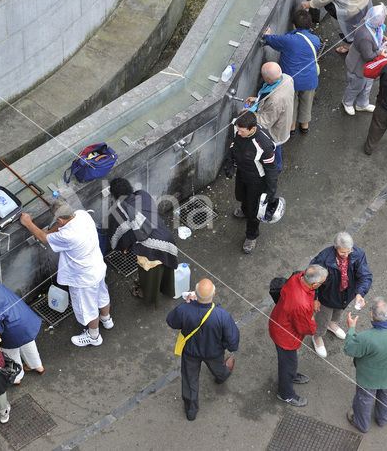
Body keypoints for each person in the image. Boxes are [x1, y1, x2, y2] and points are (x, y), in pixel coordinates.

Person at [20, 201, 114, 347]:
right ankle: (106, 319)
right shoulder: (82, 215)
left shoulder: (67, 236)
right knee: (102, 295)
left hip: (83, 279)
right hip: (98, 267)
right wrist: (49, 232)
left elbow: (44, 239)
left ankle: (94, 336)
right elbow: (60, 228)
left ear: (59, 220)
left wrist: (28, 223)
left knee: (88, 309)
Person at [166, 279, 239, 421]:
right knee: (218, 367)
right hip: (213, 351)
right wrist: (227, 346)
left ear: (195, 293)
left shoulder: (184, 309)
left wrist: (186, 303)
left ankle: (191, 410)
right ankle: (222, 376)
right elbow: (232, 340)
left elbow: (171, 321)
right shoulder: (222, 315)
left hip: (190, 351)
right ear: (214, 294)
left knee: (189, 379)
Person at [343, 298, 387, 433]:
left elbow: (349, 349)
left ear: (372, 315)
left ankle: (362, 424)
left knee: (364, 400)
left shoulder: (365, 337)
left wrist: (351, 328)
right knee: (386, 397)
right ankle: (382, 419)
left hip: (368, 379)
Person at [107, 177, 178, 306]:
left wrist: (122, 247)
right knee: (166, 267)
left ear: (115, 195)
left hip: (149, 249)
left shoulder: (120, 212)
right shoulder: (142, 194)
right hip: (166, 237)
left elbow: (119, 236)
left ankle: (145, 294)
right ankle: (167, 288)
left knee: (149, 275)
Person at [269, 265, 328, 407]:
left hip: (280, 323)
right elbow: (305, 328)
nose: (322, 284)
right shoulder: (300, 303)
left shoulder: (299, 277)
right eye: (321, 283)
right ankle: (285, 394)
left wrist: (313, 301)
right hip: (285, 336)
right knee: (288, 364)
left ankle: (292, 375)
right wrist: (313, 321)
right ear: (314, 284)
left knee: (290, 362)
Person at [222, 110, 279, 254]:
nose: (238, 133)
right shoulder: (240, 131)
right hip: (242, 173)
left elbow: (272, 170)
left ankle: (251, 235)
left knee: (254, 211)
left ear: (252, 129)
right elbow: (234, 145)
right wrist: (229, 161)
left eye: (241, 131)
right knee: (241, 195)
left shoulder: (264, 145)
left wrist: (270, 192)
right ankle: (244, 209)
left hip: (257, 181)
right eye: (238, 130)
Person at [310, 232, 372, 358]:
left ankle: (331, 323)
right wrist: (315, 298)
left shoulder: (358, 254)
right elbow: (312, 279)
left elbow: (365, 276)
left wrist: (360, 293)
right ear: (335, 247)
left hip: (345, 295)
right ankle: (317, 336)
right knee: (322, 317)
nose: (346, 255)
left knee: (337, 313)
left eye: (349, 251)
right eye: (343, 252)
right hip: (326, 297)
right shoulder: (324, 258)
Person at [263, 10, 320, 135]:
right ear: (309, 25)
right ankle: (304, 126)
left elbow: (270, 40)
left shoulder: (288, 40)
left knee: (291, 103)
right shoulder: (315, 40)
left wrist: (267, 35)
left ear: (294, 25)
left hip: (291, 80)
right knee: (307, 102)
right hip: (310, 79)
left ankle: (292, 127)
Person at [342, 4, 387, 116]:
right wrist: (384, 50)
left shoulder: (371, 23)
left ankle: (362, 104)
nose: (385, 18)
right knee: (356, 86)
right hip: (358, 67)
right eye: (383, 17)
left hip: (368, 67)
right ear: (377, 20)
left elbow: (379, 34)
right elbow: (368, 56)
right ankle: (347, 102)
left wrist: (384, 38)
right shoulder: (365, 36)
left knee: (367, 86)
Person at [245, 62, 294, 171]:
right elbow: (268, 96)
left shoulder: (275, 100)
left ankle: (275, 169)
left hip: (275, 132)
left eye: (264, 76)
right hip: (283, 120)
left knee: (273, 150)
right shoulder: (286, 78)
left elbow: (264, 122)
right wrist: (257, 100)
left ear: (269, 80)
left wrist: (248, 113)